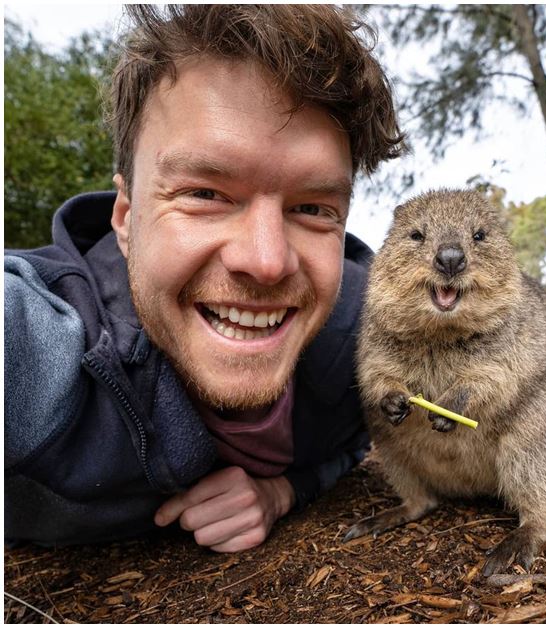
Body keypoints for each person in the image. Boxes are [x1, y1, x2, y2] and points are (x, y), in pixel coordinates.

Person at [4, 5, 405, 553]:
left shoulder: (365, 338)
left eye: (312, 208)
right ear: (125, 219)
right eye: (204, 194)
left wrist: (283, 491)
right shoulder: (41, 349)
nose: (267, 262)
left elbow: (359, 435)